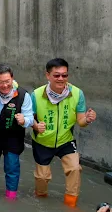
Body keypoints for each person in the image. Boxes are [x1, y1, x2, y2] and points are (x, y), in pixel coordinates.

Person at [31, 58, 97, 207]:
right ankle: (41, 204)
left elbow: (80, 121)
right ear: (48, 75)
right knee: (42, 178)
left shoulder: (77, 94)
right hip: (42, 141)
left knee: (75, 168)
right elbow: (29, 119)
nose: (61, 79)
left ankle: (70, 205)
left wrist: (87, 119)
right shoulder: (36, 95)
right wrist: (35, 126)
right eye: (56, 75)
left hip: (66, 139)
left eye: (64, 75)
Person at [0, 64, 33, 200]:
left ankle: (11, 198)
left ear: (12, 78)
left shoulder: (23, 95)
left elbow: (30, 118)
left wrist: (24, 120)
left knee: (12, 167)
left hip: (13, 137)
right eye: (0, 82)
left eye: (7, 81)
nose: (4, 85)